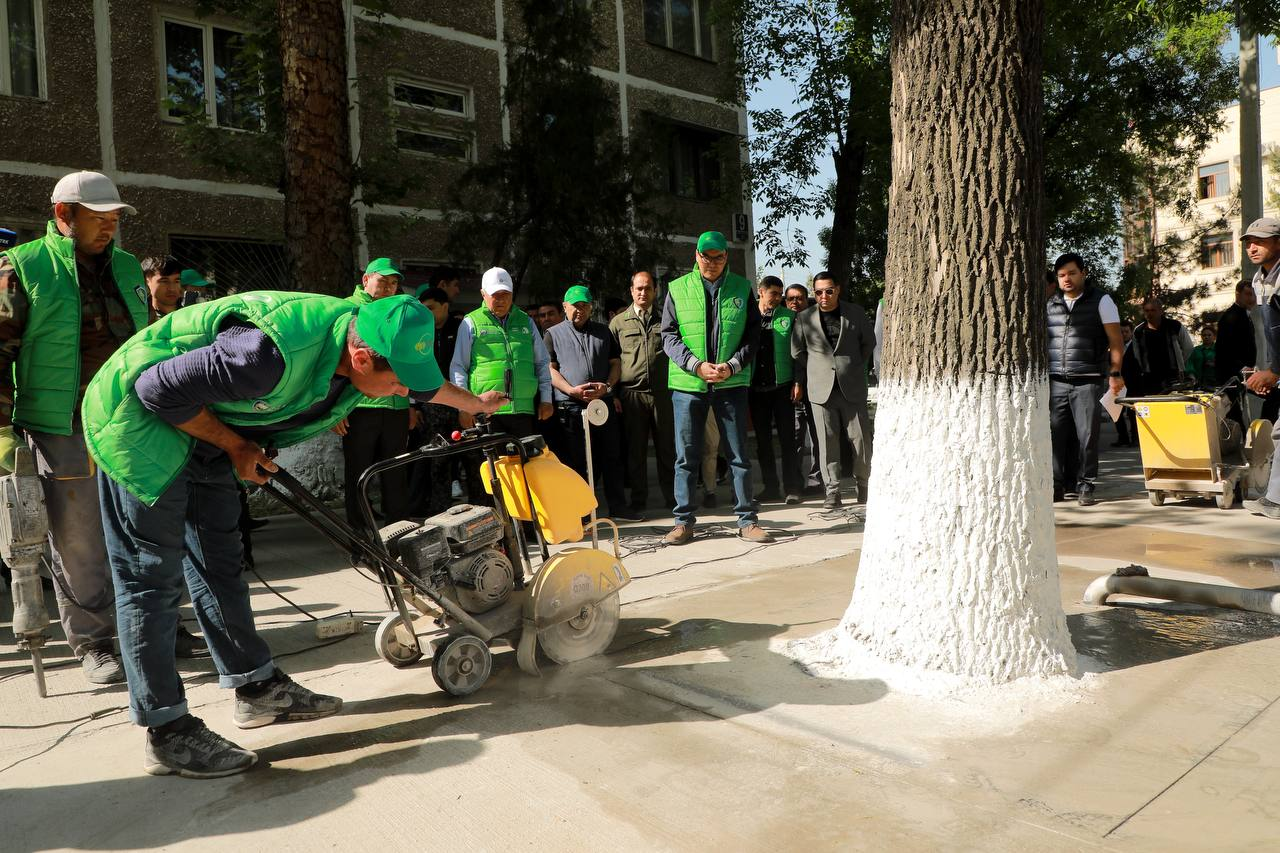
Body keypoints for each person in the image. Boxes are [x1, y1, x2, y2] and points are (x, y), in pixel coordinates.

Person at [82, 291, 504, 777]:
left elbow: (419, 387)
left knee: (220, 563)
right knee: (149, 581)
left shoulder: (368, 342)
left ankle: (257, 690)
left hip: (203, 424)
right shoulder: (266, 354)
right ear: (362, 357)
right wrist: (238, 445)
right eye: (395, 384)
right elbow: (155, 389)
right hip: (140, 425)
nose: (400, 393)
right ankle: (167, 732)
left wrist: (476, 403)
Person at [0, 171, 150, 685]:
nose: (109, 228)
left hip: (130, 419)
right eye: (98, 219)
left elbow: (148, 341)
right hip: (61, 423)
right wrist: (2, 433)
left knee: (145, 527)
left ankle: (152, 626)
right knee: (78, 537)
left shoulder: (128, 267)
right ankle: (95, 642)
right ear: (64, 215)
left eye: (113, 219)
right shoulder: (22, 267)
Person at [659, 231, 773, 545]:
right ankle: (683, 522)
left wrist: (732, 365)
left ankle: (747, 521)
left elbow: (753, 336)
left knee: (738, 454)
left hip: (731, 383)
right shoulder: (677, 289)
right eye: (705, 256)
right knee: (686, 456)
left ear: (727, 258)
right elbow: (668, 336)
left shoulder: (741, 287)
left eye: (718, 257)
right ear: (696, 256)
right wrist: (696, 365)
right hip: (688, 384)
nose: (711, 262)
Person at [450, 267, 554, 503]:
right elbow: (459, 366)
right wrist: (464, 406)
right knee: (492, 476)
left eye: (506, 294)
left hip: (523, 410)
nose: (501, 300)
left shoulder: (526, 321)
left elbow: (542, 363)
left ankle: (527, 529)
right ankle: (498, 531)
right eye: (495, 295)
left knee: (525, 473)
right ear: (483, 294)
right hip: (487, 412)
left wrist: (547, 399)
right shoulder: (470, 323)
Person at [335, 258, 415, 531]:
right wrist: (334, 409)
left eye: (394, 283)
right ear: (366, 279)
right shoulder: (348, 309)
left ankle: (400, 534)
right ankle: (360, 538)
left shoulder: (399, 311)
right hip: (359, 407)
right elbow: (334, 363)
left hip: (396, 405)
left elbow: (408, 361)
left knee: (396, 473)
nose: (389, 288)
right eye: (383, 281)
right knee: (359, 474)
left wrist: (412, 404)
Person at [544, 285, 635, 521]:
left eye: (584, 306)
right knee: (576, 461)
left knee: (611, 455)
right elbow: (549, 370)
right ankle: (582, 512)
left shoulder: (604, 332)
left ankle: (618, 507)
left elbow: (615, 363)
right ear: (565, 307)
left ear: (591, 307)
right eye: (575, 306)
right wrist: (571, 390)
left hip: (601, 403)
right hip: (570, 406)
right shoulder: (552, 334)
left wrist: (608, 386)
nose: (579, 311)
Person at [790, 272, 875, 508]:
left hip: (852, 387)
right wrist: (819, 369)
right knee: (827, 442)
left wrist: (851, 366)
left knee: (860, 439)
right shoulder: (805, 318)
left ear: (837, 289)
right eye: (818, 292)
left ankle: (864, 484)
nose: (823, 296)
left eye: (828, 291)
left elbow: (868, 343)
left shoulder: (855, 313)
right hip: (820, 390)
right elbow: (797, 351)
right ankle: (833, 491)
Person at [1046, 252, 1124, 506]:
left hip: (1089, 378)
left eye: (1071, 273)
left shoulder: (1102, 301)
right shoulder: (1050, 303)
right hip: (1056, 378)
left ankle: (1086, 484)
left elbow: (1116, 342)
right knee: (1056, 434)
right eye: (1061, 275)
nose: (1066, 279)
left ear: (1083, 273)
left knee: (1087, 435)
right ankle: (1057, 485)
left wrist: (1115, 373)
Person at [609, 271, 675, 513]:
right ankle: (639, 500)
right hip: (632, 395)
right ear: (631, 290)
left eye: (647, 288)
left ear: (655, 291)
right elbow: (612, 361)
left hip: (662, 394)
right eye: (638, 288)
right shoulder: (618, 323)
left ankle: (672, 497)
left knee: (667, 448)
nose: (643, 292)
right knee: (635, 451)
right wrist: (614, 394)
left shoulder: (666, 319)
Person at [408, 285, 464, 514]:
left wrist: (466, 403)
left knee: (472, 459)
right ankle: (440, 513)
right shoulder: (421, 334)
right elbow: (413, 369)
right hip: (431, 405)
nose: (426, 313)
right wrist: (414, 405)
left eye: (430, 308)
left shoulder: (462, 329)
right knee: (437, 461)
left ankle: (483, 512)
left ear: (445, 306)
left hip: (462, 403)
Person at [749, 275, 801, 504]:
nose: (779, 298)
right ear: (761, 292)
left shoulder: (789, 317)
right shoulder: (748, 317)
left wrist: (798, 382)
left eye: (781, 294)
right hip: (755, 389)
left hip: (782, 388)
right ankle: (770, 488)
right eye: (774, 294)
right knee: (763, 442)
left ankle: (793, 488)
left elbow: (799, 354)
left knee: (788, 440)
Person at [785, 283, 823, 494]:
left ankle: (816, 481)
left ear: (807, 299)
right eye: (791, 299)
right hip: (789, 390)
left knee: (818, 437)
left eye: (799, 298)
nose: (795, 302)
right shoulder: (783, 322)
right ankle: (795, 484)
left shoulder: (814, 322)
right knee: (796, 439)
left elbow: (804, 357)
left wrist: (799, 382)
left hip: (814, 387)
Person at [1130, 297, 1194, 395]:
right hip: (1150, 376)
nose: (1149, 313)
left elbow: (1188, 347)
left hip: (1173, 375)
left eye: (1153, 310)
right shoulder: (1139, 331)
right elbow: (1136, 355)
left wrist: (1180, 364)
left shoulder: (1174, 326)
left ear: (1161, 311)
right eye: (1146, 311)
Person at [1217, 280, 1258, 429]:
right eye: (1247, 294)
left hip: (1245, 373)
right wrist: (1241, 369)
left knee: (1237, 416)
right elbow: (1225, 351)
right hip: (1232, 376)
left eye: (1253, 294)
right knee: (1235, 416)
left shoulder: (1244, 315)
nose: (1251, 298)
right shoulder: (1231, 317)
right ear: (1238, 294)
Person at [142, 255, 183, 320]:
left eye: (176, 281)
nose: (172, 288)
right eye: (164, 281)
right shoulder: (139, 318)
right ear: (147, 281)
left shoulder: (192, 314)